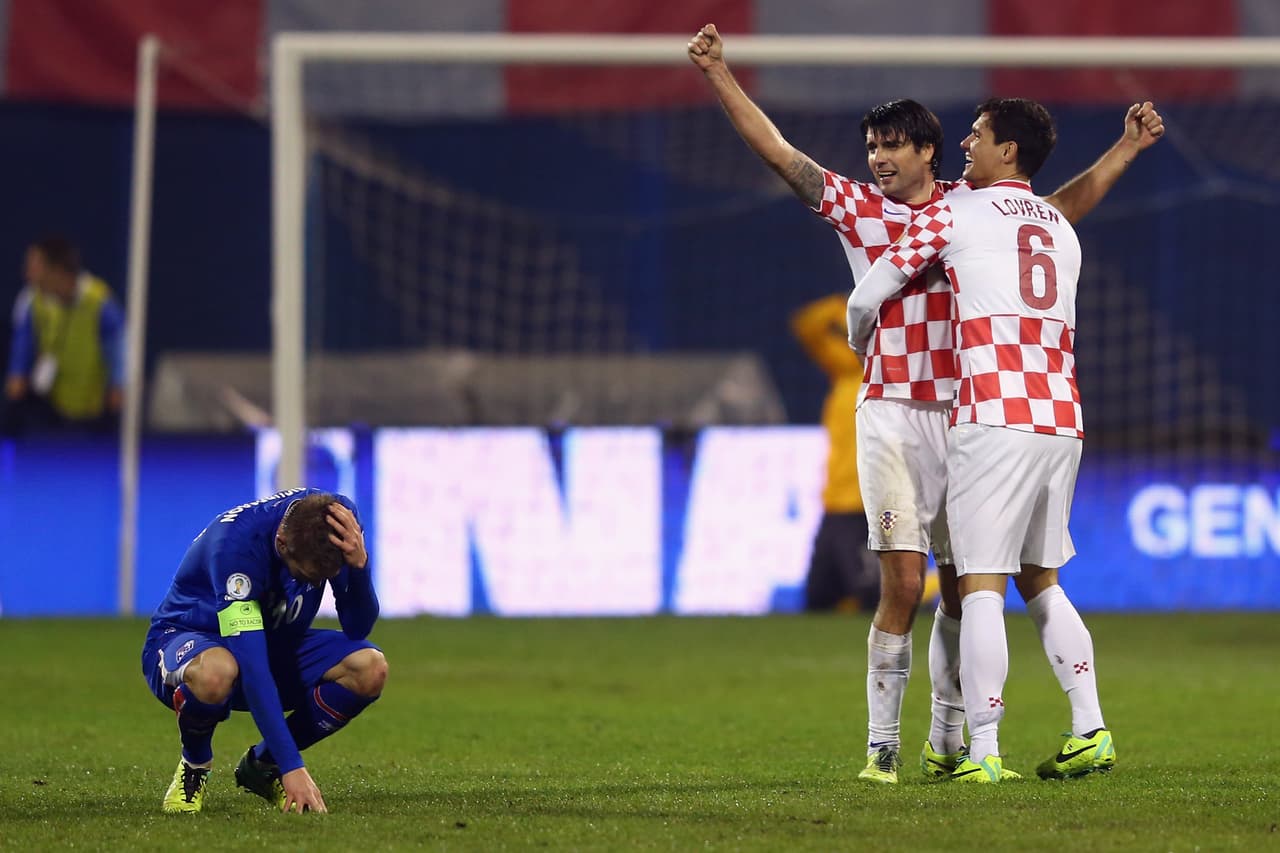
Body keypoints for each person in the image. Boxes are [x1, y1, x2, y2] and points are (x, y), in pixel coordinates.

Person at [687, 23, 1163, 783]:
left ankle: (951, 742)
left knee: (960, 585)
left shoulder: (964, 207)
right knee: (908, 581)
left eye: (892, 145)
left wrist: (1123, 152)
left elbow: (1054, 205)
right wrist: (718, 74)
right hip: (896, 413)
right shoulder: (856, 206)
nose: (876, 158)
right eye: (871, 145)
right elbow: (780, 152)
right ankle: (884, 746)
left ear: (931, 153)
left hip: (968, 415)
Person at [847, 97, 1113, 782]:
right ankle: (1090, 726)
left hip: (993, 415)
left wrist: (860, 341)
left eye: (979, 134)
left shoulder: (953, 210)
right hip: (1062, 416)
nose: (966, 141)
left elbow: (869, 292)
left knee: (981, 585)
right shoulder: (1060, 225)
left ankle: (983, 750)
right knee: (1043, 579)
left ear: (1008, 152)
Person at [141, 488, 388, 814]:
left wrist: (358, 567)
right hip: (190, 639)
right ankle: (195, 763)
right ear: (282, 543)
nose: (312, 584)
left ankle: (261, 766)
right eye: (307, 577)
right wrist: (293, 766)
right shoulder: (236, 550)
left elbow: (357, 628)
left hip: (273, 642)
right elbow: (254, 670)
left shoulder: (336, 522)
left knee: (370, 668)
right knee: (218, 671)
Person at [790, 294, 879, 612]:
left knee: (873, 597)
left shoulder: (887, 379)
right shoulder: (845, 374)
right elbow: (806, 326)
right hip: (835, 505)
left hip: (867, 507)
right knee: (818, 598)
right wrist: (843, 307)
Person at [2, 236, 124, 435]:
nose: (28, 273)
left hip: (94, 413)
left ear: (57, 270)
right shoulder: (30, 301)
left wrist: (117, 389)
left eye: (35, 266)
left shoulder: (100, 302)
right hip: (47, 410)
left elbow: (118, 352)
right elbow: (21, 354)